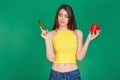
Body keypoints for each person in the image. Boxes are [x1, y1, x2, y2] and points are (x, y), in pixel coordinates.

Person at [40, 4, 100, 80]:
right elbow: (51, 58)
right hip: (55, 75)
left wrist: (88, 39)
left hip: (73, 74)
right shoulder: (51, 34)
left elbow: (79, 57)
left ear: (70, 18)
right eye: (60, 15)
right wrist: (46, 39)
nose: (62, 18)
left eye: (66, 16)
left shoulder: (78, 33)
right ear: (57, 16)